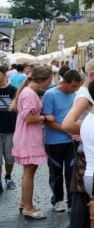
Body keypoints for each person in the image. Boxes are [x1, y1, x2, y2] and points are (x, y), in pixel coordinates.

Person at [62, 58, 94, 228]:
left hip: (87, 148)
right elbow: (68, 123)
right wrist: (92, 133)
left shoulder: (87, 91)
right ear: (92, 75)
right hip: (88, 151)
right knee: (86, 196)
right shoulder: (86, 95)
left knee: (85, 195)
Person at [9, 66, 55, 219]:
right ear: (42, 80)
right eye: (49, 80)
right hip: (29, 137)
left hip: (27, 136)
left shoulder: (28, 91)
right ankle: (28, 207)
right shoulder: (29, 94)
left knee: (29, 172)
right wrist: (44, 117)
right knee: (29, 172)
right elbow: (29, 118)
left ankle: (25, 201)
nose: (50, 83)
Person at [41, 70, 82, 212]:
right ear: (65, 82)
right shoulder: (50, 95)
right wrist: (68, 130)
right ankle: (57, 200)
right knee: (55, 172)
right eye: (73, 86)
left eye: (77, 87)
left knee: (72, 172)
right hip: (53, 141)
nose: (75, 89)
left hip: (71, 141)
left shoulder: (76, 95)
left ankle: (71, 201)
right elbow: (48, 121)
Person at [0, 65, 17, 193]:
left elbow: (18, 109)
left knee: (9, 158)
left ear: (5, 74)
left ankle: (8, 176)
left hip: (10, 129)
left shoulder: (13, 90)